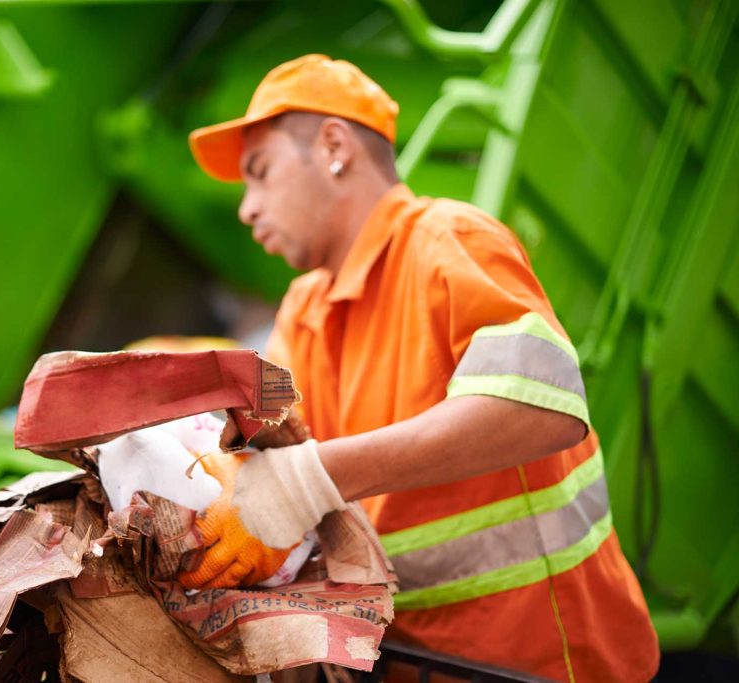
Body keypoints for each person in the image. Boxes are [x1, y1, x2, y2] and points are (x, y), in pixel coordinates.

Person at [176, 54, 659, 681]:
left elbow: (543, 408)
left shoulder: (447, 240)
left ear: (333, 147)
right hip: (419, 664)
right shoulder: (305, 308)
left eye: (260, 173)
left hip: (551, 663)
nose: (246, 208)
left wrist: (305, 481)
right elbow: (280, 444)